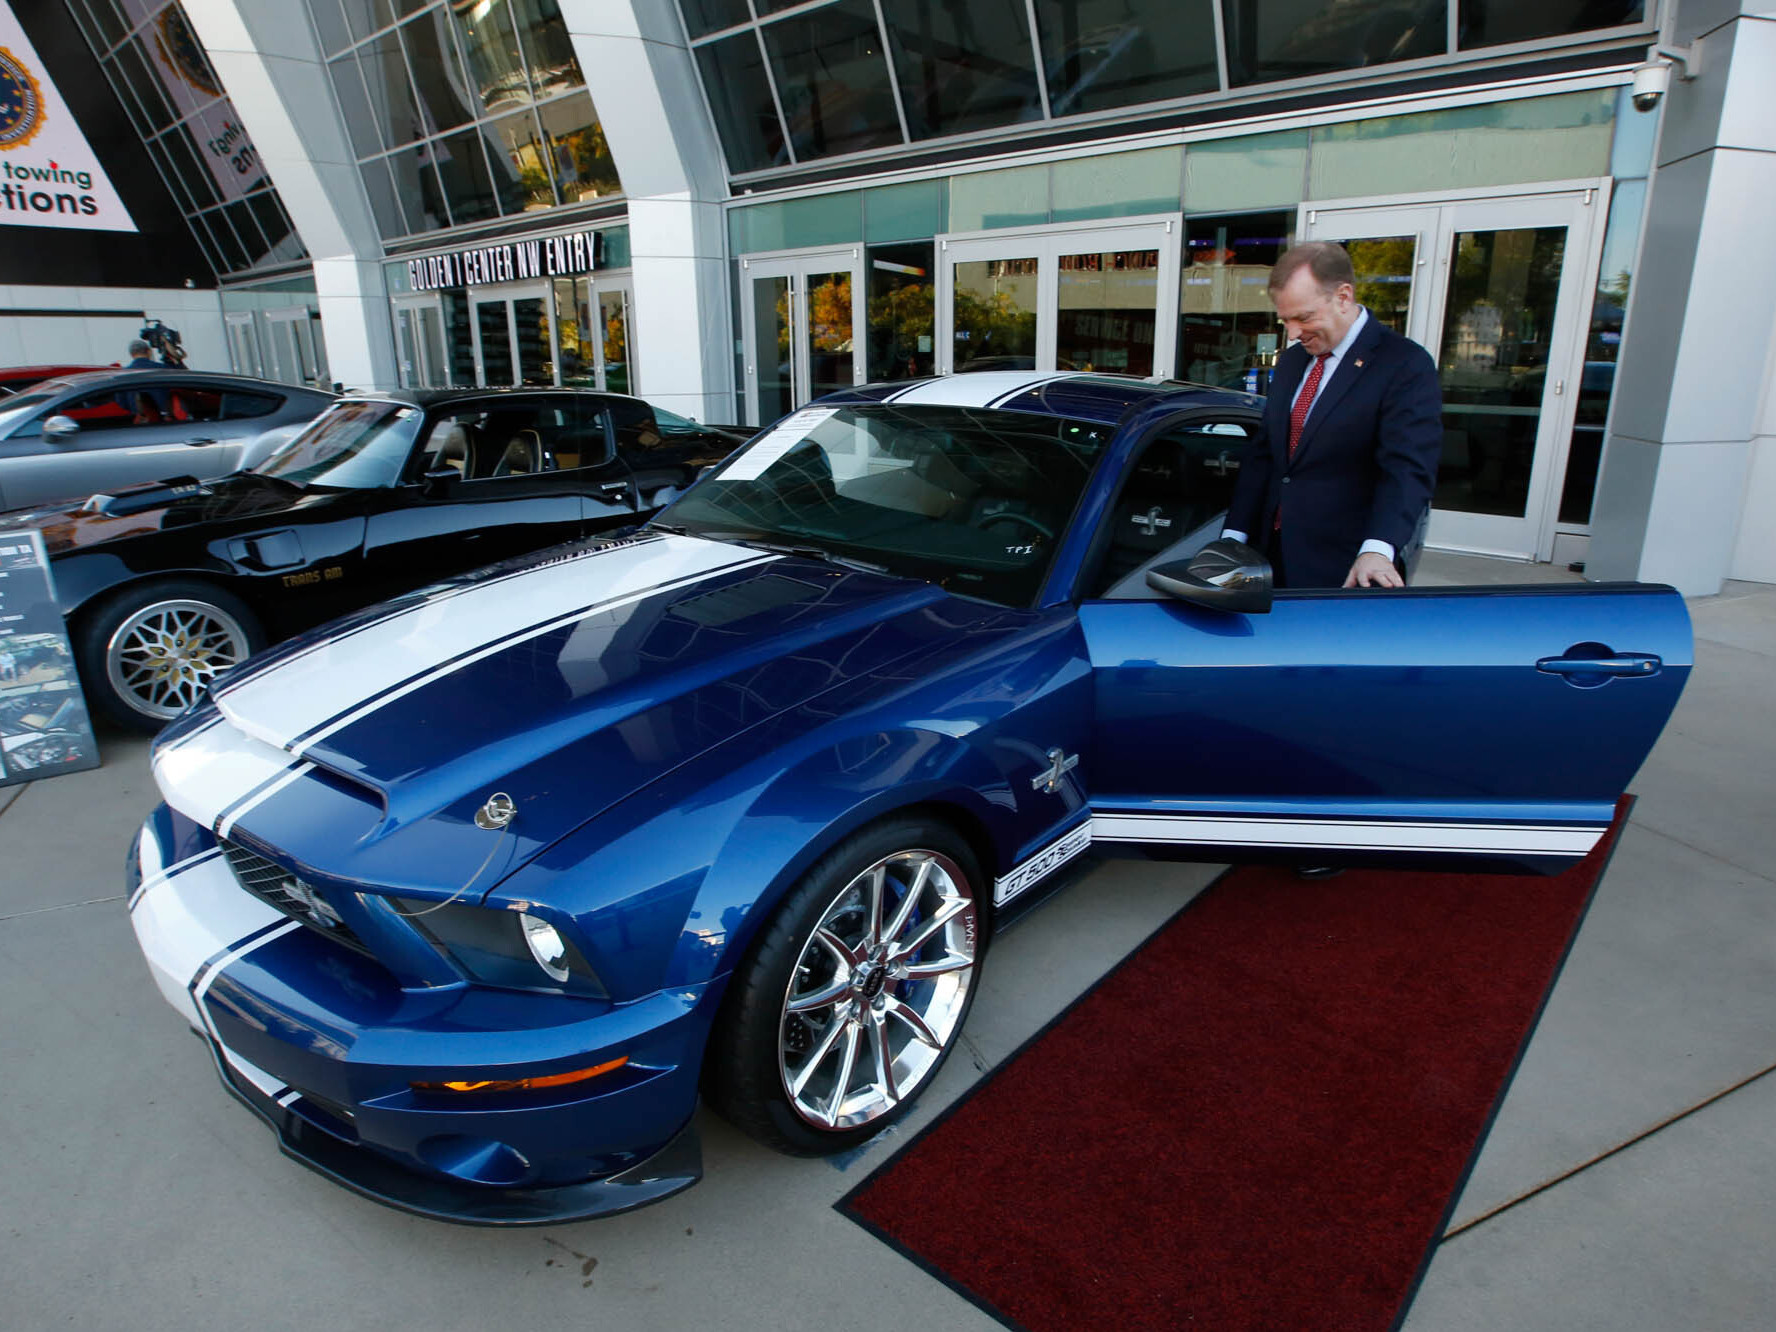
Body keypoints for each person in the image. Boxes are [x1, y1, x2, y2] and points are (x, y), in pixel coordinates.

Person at [1222, 242, 1441, 589]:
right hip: (1268, 558)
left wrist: (1378, 548)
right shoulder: (1294, 361)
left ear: (1343, 296)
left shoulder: (1404, 364)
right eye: (1285, 320)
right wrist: (1234, 535)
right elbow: (1265, 454)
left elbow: (1407, 469)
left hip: (1344, 568)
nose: (1293, 333)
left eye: (1303, 317)